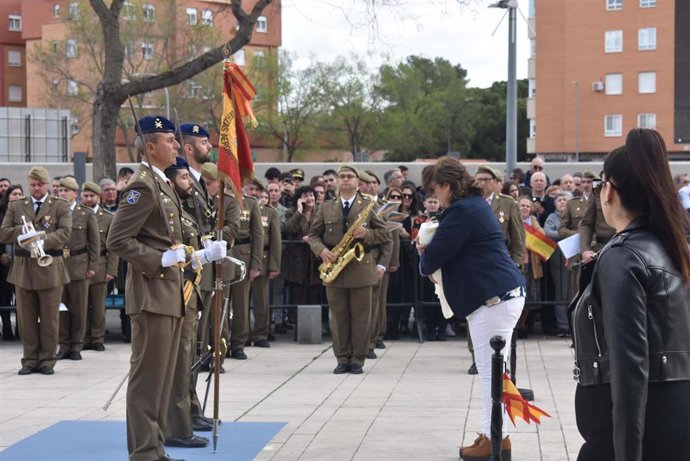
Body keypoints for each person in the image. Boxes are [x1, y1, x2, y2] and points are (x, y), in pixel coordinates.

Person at [571, 129, 690, 461]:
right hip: (670, 419)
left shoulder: (623, 256)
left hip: (633, 434)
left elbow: (629, 368)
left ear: (609, 191)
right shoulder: (672, 246)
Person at [416, 157, 524, 460]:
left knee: (491, 374)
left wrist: (424, 249)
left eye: (436, 188)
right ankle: (494, 437)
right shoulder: (473, 206)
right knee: (493, 373)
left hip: (494, 299)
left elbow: (429, 263)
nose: (435, 194)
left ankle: (495, 439)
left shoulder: (461, 211)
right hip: (497, 295)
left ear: (448, 186)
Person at [106, 115, 189, 461]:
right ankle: (143, 452)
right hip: (152, 293)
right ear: (151, 147)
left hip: (169, 294)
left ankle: (155, 448)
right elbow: (117, 239)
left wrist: (188, 254)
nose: (176, 145)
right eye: (170, 140)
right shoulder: (141, 186)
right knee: (147, 380)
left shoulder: (162, 184)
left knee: (162, 379)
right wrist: (159, 260)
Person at [162, 156, 225, 450]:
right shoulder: (168, 211)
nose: (192, 183)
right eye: (186, 178)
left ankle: (185, 418)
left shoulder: (183, 213)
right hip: (177, 291)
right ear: (171, 180)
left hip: (190, 290)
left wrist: (206, 253)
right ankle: (176, 425)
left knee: (186, 358)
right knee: (178, 362)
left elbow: (188, 251)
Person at [308, 165, 390, 374]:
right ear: (337, 181)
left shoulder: (369, 205)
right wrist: (322, 251)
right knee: (339, 318)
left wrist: (367, 234)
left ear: (357, 182)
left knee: (362, 318)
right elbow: (314, 235)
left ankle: (357, 360)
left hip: (361, 269)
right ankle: (342, 358)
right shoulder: (326, 207)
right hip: (335, 269)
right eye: (342, 176)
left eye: (349, 177)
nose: (345, 179)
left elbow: (385, 235)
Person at [0, 166, 72, 375]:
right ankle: (29, 360)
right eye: (32, 185)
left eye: (40, 185)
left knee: (50, 318)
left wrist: (40, 237)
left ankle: (48, 360)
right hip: (24, 269)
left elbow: (66, 233)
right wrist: (22, 231)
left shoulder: (60, 205)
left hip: (51, 268)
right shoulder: (16, 206)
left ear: (47, 184)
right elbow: (3, 233)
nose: (36, 188)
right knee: (26, 318)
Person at [56, 177, 100, 361]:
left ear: (75, 194)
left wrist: (92, 266)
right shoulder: (55, 211)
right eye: (60, 191)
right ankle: (63, 344)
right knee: (61, 308)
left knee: (79, 309)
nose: (62, 194)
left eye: (66, 191)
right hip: (58, 266)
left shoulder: (86, 213)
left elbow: (94, 243)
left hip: (79, 265)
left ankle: (76, 345)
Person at [80, 181, 118, 352]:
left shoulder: (108, 217)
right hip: (80, 265)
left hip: (101, 266)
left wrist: (111, 270)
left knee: (97, 306)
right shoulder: (76, 215)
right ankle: (83, 337)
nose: (88, 199)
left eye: (92, 196)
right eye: (85, 196)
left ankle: (96, 338)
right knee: (81, 304)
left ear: (99, 197)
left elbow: (113, 247)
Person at [247, 180, 281, 348]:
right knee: (242, 301)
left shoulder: (270, 212)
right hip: (244, 257)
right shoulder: (243, 208)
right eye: (253, 191)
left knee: (262, 301)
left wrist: (274, 265)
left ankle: (261, 333)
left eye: (260, 193)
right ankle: (244, 333)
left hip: (264, 259)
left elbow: (275, 240)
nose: (257, 195)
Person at [543, 191, 572, 337]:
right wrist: (568, 233)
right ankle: (563, 325)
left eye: (565, 199)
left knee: (573, 291)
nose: (562, 202)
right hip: (557, 257)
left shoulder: (574, 215)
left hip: (574, 255)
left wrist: (561, 233)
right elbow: (547, 232)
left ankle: (574, 324)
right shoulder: (552, 217)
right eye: (559, 200)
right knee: (561, 291)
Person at [0, 184, 23, 340]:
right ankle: (7, 328)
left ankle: (21, 330)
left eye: (20, 194)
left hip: (22, 263)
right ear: (7, 197)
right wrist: (1, 254)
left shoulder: (26, 214)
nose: (17, 196)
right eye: (14, 194)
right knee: (4, 297)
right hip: (4, 263)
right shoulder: (2, 214)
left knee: (22, 298)